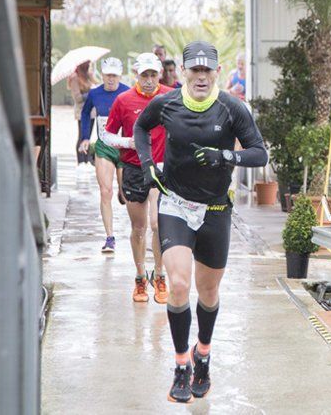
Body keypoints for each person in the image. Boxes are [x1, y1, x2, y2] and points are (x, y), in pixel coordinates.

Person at [134, 41, 267, 403]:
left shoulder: (232, 108)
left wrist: (226, 156)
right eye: (195, 70)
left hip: (215, 211)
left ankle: (202, 354)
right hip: (175, 203)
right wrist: (147, 165)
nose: (201, 77)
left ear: (217, 73)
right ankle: (180, 365)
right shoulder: (167, 103)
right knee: (178, 285)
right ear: (184, 73)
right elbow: (140, 129)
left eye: (208, 70)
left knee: (208, 293)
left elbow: (259, 151)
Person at [102, 53, 173, 304]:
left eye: (154, 75)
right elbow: (106, 136)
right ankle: (140, 277)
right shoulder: (123, 100)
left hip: (162, 167)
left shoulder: (170, 96)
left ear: (160, 75)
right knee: (139, 227)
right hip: (133, 168)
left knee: (158, 224)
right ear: (136, 75)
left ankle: (160, 275)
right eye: (145, 75)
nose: (150, 80)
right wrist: (128, 142)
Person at [78, 57, 130, 254]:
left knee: (127, 194)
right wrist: (85, 137)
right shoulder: (95, 93)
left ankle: (122, 192)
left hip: (124, 147)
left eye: (114, 76)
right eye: (108, 75)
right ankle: (110, 238)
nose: (111, 79)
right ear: (102, 75)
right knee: (105, 191)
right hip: (104, 146)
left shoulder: (127, 92)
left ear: (120, 76)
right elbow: (85, 113)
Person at [68, 61, 97, 165]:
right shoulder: (75, 78)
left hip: (92, 112)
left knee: (88, 137)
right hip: (81, 112)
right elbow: (77, 98)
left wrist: (91, 77)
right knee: (82, 136)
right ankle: (81, 161)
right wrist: (90, 94)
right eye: (86, 64)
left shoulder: (88, 76)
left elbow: (97, 85)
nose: (88, 66)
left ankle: (87, 160)